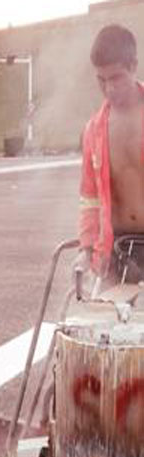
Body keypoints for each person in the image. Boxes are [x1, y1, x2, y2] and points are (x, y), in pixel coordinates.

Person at [78, 24, 144, 288]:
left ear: (133, 66)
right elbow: (90, 199)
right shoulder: (94, 130)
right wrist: (86, 251)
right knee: (104, 325)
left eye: (115, 78)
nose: (109, 89)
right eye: (101, 80)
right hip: (117, 253)